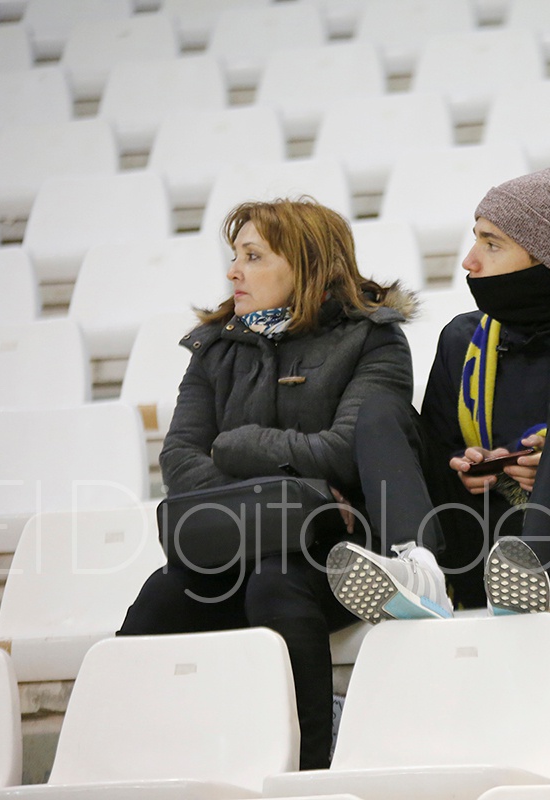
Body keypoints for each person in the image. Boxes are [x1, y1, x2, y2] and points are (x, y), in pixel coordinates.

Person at [118, 198, 435, 770]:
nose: (233, 272)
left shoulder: (373, 339)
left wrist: (239, 446)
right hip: (231, 544)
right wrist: (293, 485)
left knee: (276, 583)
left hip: (332, 547)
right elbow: (180, 461)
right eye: (234, 256)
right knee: (160, 598)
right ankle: (131, 768)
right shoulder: (214, 347)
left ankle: (310, 769)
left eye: (253, 256)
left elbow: (345, 450)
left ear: (306, 264)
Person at [325, 165, 550, 620]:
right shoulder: (461, 340)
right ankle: (419, 570)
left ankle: (532, 572)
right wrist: (466, 465)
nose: (469, 261)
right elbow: (439, 454)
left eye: (491, 244)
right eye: (476, 240)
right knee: (381, 409)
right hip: (473, 546)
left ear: (548, 259)